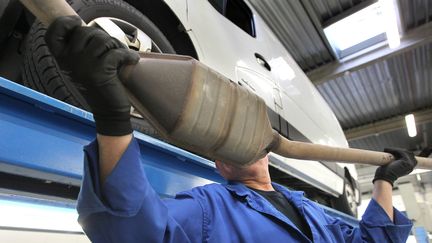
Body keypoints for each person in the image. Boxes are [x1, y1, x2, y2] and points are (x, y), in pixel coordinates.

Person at [45, 16, 416, 243]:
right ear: (219, 166)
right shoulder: (210, 208)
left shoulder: (316, 214)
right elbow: (130, 233)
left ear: (268, 151)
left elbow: (375, 241)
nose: (236, 138)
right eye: (222, 145)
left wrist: (384, 180)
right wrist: (112, 119)